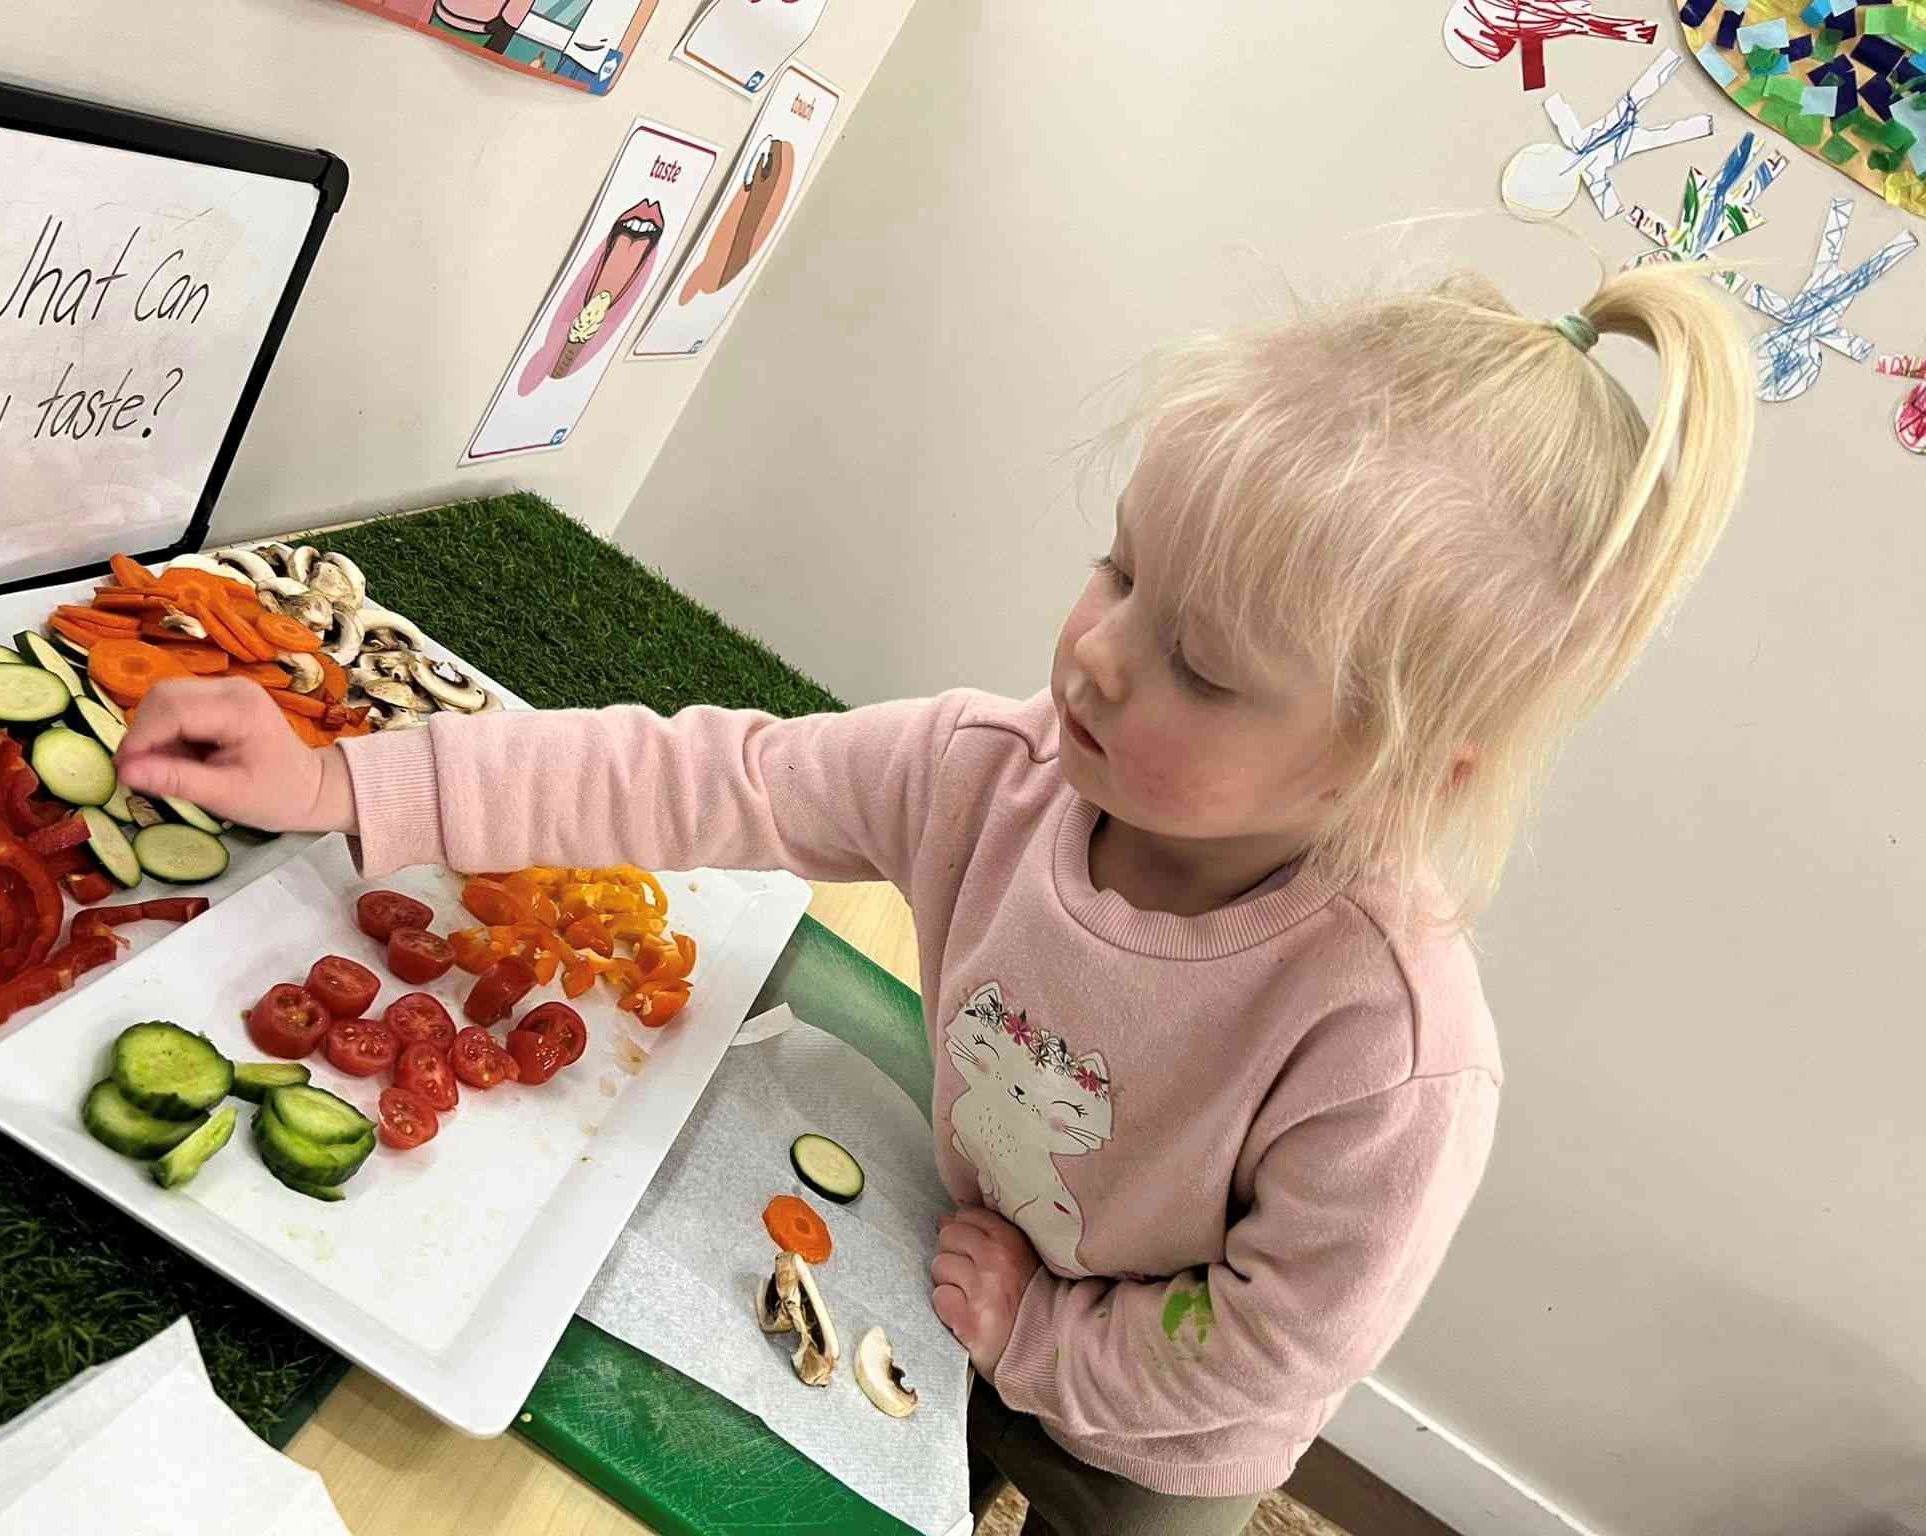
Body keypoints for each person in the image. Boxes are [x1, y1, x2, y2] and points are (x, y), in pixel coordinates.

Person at [118, 261, 1754, 1536]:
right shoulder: (998, 765)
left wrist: (1042, 1345)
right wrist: (356, 781)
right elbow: (707, 778)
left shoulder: (1389, 1047)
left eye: (1197, 662)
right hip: (955, 1250)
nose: (1097, 650)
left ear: (1403, 772)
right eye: (1121, 569)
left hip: (1169, 1432)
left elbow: (1271, 1342)